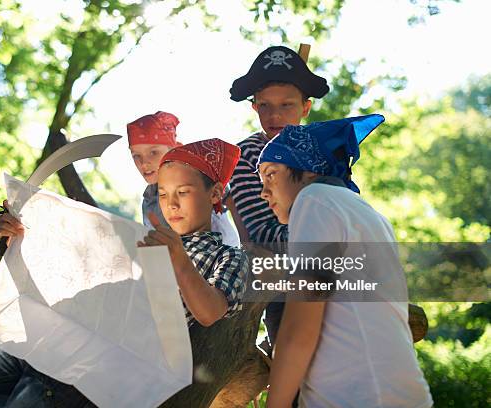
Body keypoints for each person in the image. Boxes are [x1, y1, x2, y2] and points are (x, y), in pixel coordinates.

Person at [0, 139, 248, 408]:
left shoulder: (227, 257)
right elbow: (70, 266)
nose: (171, 203)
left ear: (214, 192)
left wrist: (178, 259)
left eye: (183, 192)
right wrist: (18, 235)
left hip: (83, 371)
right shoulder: (137, 238)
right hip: (34, 342)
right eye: (164, 192)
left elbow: (210, 310)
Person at [257, 114, 433, 408]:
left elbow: (300, 328)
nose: (264, 192)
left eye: (271, 173)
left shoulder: (313, 200)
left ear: (309, 170)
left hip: (358, 396)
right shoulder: (366, 213)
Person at [228, 45, 329, 347]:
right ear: (254, 107)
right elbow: (262, 234)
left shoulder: (324, 151)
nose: (275, 115)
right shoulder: (245, 155)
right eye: (265, 106)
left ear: (305, 108)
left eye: (287, 105)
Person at [128, 111, 240, 247]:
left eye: (153, 152)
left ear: (173, 149)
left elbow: (231, 201)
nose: (144, 163)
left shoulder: (197, 175)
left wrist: (248, 246)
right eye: (136, 155)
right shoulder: (149, 198)